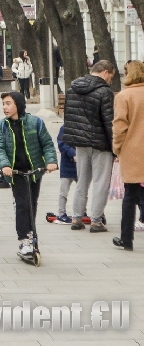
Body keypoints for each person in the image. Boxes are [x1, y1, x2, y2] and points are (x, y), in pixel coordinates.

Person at [0, 92, 58, 256]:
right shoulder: (1, 126)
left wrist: (51, 162)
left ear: (18, 105)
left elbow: (47, 144)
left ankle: (30, 232)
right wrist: (5, 165)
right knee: (23, 204)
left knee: (32, 203)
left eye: (8, 103)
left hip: (34, 170)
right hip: (16, 173)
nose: (5, 107)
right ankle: (24, 239)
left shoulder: (36, 122)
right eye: (3, 104)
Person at [63, 60, 115, 232]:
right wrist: (115, 146)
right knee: (101, 182)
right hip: (101, 143)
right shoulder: (105, 92)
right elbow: (109, 122)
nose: (110, 81)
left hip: (80, 143)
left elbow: (68, 118)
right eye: (111, 77)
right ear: (106, 72)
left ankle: (76, 218)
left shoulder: (73, 89)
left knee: (82, 181)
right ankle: (96, 220)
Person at [111, 60, 144, 250]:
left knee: (130, 196)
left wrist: (117, 147)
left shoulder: (124, 96)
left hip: (133, 151)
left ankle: (126, 239)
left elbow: (120, 125)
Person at [53, 125, 77, 225]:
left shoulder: (84, 126)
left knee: (82, 191)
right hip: (67, 165)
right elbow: (62, 144)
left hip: (81, 166)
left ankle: (81, 211)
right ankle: (61, 213)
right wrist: (73, 154)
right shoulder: (65, 128)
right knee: (64, 192)